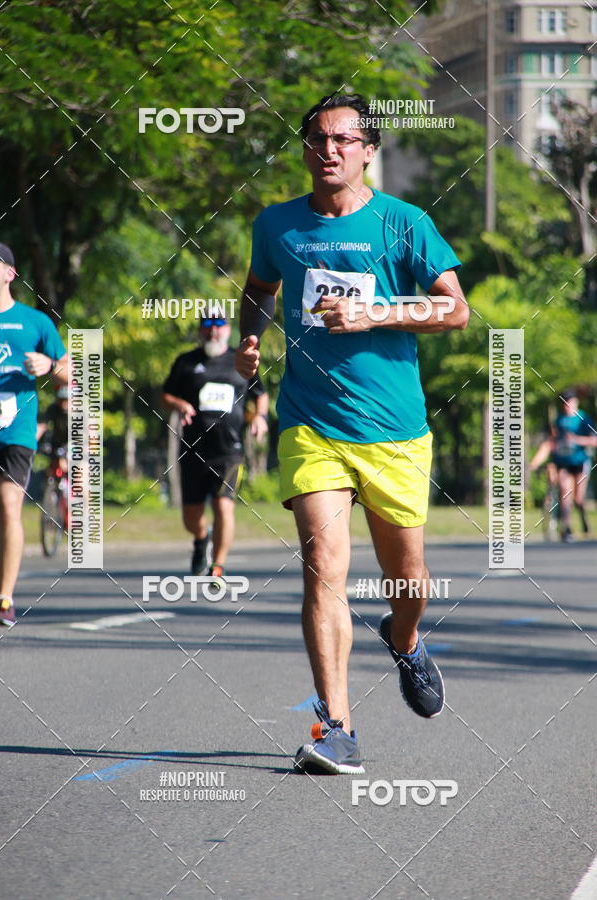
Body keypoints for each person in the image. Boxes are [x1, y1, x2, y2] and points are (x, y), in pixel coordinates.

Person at [236, 93, 469, 775]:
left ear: (369, 150)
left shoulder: (405, 224)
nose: (328, 150)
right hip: (311, 424)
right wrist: (250, 336)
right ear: (305, 150)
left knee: (409, 578)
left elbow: (455, 311)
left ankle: (404, 639)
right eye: (316, 139)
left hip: (395, 430)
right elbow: (258, 289)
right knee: (321, 564)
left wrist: (374, 314)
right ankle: (337, 727)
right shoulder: (277, 225)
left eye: (343, 139)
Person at [163, 315, 269, 578]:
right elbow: (166, 395)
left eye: (218, 326)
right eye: (208, 326)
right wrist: (179, 405)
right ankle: (201, 539)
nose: (213, 332)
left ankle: (218, 565)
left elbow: (261, 394)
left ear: (228, 330)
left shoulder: (241, 360)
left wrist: (260, 417)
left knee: (224, 505)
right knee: (191, 517)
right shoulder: (186, 362)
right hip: (192, 448)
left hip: (229, 450)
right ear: (200, 330)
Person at [0, 242, 68, 627]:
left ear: (10, 273)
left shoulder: (35, 322)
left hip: (16, 431)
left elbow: (69, 372)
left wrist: (48, 363)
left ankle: (4, 597)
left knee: (9, 506)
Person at [548, 389, 595, 541]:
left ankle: (583, 517)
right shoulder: (559, 420)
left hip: (580, 461)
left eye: (570, 401)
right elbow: (553, 442)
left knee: (578, 499)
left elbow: (594, 441)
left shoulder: (584, 419)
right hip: (563, 463)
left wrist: (575, 439)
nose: (567, 405)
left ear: (576, 402)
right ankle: (566, 528)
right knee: (565, 494)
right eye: (565, 402)